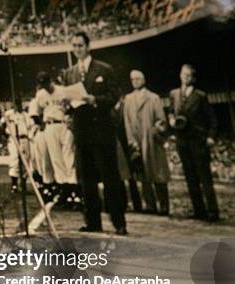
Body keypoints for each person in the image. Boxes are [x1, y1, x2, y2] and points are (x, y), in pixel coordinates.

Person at [63, 31, 127, 235]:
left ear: (88, 46)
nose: (77, 50)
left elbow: (114, 95)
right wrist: (67, 106)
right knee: (86, 179)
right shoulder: (70, 73)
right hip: (82, 131)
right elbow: (67, 100)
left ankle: (119, 222)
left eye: (80, 45)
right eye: (74, 46)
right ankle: (93, 222)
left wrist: (95, 100)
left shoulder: (104, 69)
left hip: (102, 130)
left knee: (110, 178)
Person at [169, 64, 219, 222]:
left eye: (189, 75)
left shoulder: (200, 96)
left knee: (205, 179)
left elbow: (212, 119)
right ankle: (199, 211)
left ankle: (213, 212)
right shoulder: (174, 94)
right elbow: (171, 111)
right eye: (183, 74)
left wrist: (211, 136)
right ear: (180, 75)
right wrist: (171, 120)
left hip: (198, 140)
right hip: (182, 141)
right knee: (190, 178)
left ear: (193, 78)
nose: (185, 77)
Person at [123, 70, 170, 215]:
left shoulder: (153, 98)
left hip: (151, 140)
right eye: (132, 79)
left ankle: (164, 206)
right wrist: (131, 140)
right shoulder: (128, 99)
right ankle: (150, 204)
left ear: (143, 80)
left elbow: (161, 120)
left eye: (138, 78)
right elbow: (127, 122)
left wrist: (155, 132)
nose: (135, 81)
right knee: (143, 174)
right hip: (137, 140)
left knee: (158, 174)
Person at [31, 71, 80, 208]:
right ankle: (65, 192)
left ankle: (74, 193)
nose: (44, 86)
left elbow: (74, 107)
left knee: (68, 157)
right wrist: (41, 125)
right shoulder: (41, 94)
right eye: (42, 84)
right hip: (50, 126)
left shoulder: (62, 91)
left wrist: (70, 119)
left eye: (46, 82)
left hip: (64, 125)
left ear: (51, 80)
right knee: (56, 159)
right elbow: (36, 113)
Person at [0, 98, 35, 192]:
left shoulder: (26, 115)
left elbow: (31, 126)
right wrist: (4, 135)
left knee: (26, 161)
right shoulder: (9, 114)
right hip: (14, 138)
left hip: (24, 138)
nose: (17, 105)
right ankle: (14, 185)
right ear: (13, 104)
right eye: (15, 103)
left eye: (19, 103)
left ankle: (23, 184)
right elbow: (1, 124)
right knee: (14, 160)